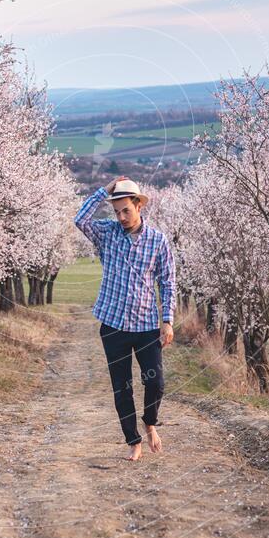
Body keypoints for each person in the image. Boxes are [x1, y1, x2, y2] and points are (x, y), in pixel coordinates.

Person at [74, 176, 176, 461]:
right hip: (113, 325)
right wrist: (104, 191)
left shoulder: (158, 241)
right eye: (116, 211)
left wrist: (167, 320)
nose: (120, 217)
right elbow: (80, 220)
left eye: (125, 210)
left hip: (145, 326)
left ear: (138, 206)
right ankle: (133, 440)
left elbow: (167, 282)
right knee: (122, 387)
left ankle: (150, 422)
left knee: (155, 382)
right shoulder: (107, 233)